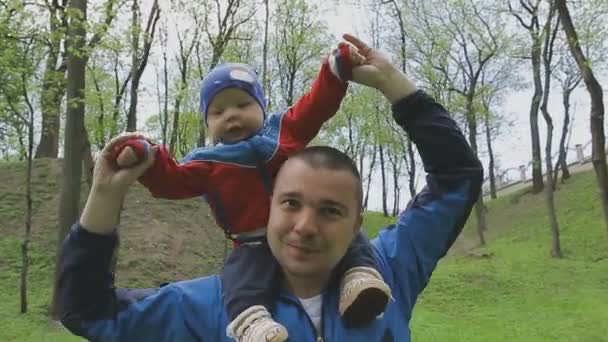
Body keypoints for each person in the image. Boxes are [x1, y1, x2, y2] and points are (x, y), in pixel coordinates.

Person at [58, 33, 483, 342]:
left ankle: (357, 279)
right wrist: (107, 193)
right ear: (271, 206)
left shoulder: (391, 270)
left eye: (331, 210)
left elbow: (456, 177)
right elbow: (88, 312)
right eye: (290, 203)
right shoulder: (210, 306)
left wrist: (392, 81)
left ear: (357, 218)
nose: (304, 225)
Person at [107, 41, 391, 341]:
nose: (231, 115)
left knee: (348, 234)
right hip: (253, 241)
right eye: (218, 112)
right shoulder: (207, 164)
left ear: (262, 108)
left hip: (302, 224)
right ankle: (252, 322)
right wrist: (144, 156)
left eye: (242, 105)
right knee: (240, 278)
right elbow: (170, 180)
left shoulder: (281, 134)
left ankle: (359, 279)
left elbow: (315, 107)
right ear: (208, 124)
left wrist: (335, 71)